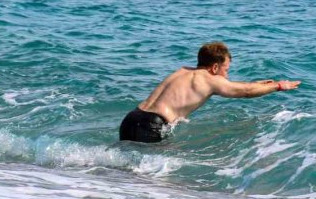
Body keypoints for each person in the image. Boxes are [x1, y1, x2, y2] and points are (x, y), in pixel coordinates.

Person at [119, 41, 301, 143]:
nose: (227, 74)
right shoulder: (209, 80)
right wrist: (278, 86)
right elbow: (245, 92)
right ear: (215, 67)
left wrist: (257, 83)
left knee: (124, 169)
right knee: (156, 176)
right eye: (226, 69)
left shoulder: (183, 70)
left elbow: (238, 85)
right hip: (152, 125)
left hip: (132, 118)